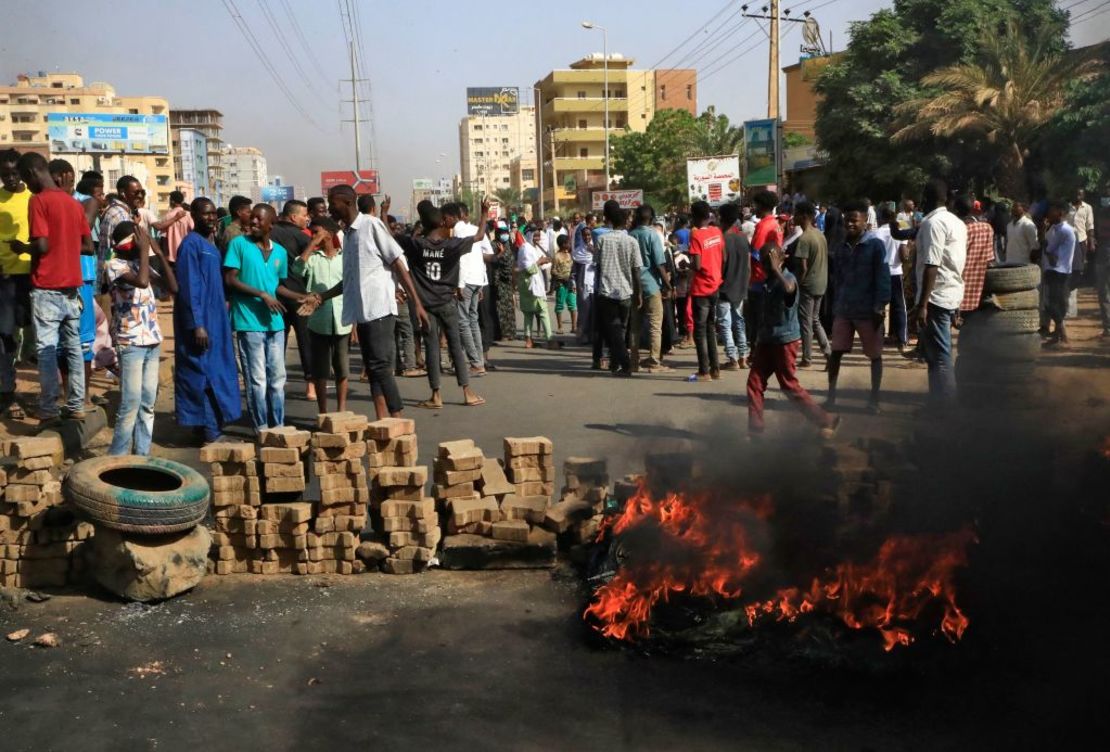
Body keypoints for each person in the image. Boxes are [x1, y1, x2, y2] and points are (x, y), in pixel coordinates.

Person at [307, 186, 426, 419]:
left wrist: (417, 303)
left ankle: (397, 419)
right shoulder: (349, 235)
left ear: (347, 202)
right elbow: (349, 281)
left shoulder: (371, 225)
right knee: (372, 368)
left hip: (379, 309)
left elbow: (397, 263)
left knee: (381, 366)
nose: (330, 207)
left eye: (333, 202)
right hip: (362, 313)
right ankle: (382, 419)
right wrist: (322, 296)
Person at [17, 152, 91, 422]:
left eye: (25, 179)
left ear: (32, 173)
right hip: (72, 286)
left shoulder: (38, 201)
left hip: (46, 284)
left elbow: (43, 245)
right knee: (73, 347)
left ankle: (48, 410)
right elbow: (89, 246)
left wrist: (24, 248)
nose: (26, 185)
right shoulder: (73, 204)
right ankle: (76, 406)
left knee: (46, 350)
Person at [394, 199, 487, 408]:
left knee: (432, 348)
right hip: (447, 302)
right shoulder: (452, 245)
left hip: (426, 305)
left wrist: (383, 213)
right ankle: (467, 392)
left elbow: (390, 235)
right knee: (455, 345)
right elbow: (480, 236)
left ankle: (436, 395)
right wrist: (484, 212)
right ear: (443, 223)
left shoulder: (416, 244)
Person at [223, 203, 304, 431]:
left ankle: (277, 426)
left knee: (277, 379)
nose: (254, 222)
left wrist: (301, 297)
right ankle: (261, 427)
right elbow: (231, 279)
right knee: (258, 380)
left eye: (260, 219)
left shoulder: (279, 252)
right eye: (253, 218)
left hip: (275, 324)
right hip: (248, 323)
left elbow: (276, 286)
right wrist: (261, 295)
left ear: (272, 223)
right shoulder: (238, 245)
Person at [746, 244, 837, 436]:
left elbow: (788, 289)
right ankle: (755, 430)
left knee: (788, 385)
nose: (766, 266)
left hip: (785, 341)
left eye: (769, 261)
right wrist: (755, 344)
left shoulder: (787, 278)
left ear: (781, 259)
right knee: (754, 383)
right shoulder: (766, 283)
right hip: (767, 340)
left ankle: (826, 420)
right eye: (764, 262)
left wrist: (776, 269)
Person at [105, 222, 177, 454]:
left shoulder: (140, 262)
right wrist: (146, 252)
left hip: (151, 340)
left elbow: (171, 287)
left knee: (148, 402)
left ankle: (142, 454)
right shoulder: (114, 265)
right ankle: (117, 456)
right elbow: (142, 282)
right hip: (130, 342)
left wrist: (159, 251)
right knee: (130, 403)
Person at [174, 198, 241, 445]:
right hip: (201, 323)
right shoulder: (191, 245)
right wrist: (197, 323)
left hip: (217, 320)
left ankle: (204, 427)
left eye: (213, 214)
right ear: (194, 215)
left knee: (217, 371)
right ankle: (210, 431)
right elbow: (190, 287)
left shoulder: (209, 244)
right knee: (204, 374)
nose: (211, 218)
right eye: (205, 214)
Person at [826, 201, 890, 414]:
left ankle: (875, 400)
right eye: (847, 220)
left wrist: (880, 305)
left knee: (875, 355)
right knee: (836, 353)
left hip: (868, 310)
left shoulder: (875, 245)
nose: (850, 224)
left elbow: (882, 277)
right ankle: (831, 397)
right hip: (844, 309)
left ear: (865, 221)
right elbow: (837, 278)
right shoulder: (841, 247)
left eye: (854, 220)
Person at [912, 179, 967, 407]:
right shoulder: (957, 222)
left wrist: (923, 304)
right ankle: (936, 404)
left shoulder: (933, 224)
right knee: (934, 355)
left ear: (927, 198)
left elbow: (932, 265)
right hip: (950, 293)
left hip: (936, 297)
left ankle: (947, 409)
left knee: (942, 358)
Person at [296, 216, 350, 414]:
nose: (314, 235)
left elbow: (349, 287)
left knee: (342, 369)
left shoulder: (344, 258)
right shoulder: (313, 258)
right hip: (318, 322)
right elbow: (297, 269)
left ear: (329, 233)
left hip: (342, 322)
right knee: (321, 371)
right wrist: (311, 245)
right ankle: (323, 412)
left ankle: (342, 409)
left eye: (317, 232)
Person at [269, 199, 315, 400]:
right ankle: (311, 386)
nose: (307, 219)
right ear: (294, 216)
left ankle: (275, 383)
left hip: (274, 295)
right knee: (306, 341)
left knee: (278, 341)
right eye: (305, 215)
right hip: (299, 296)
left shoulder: (268, 233)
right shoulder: (302, 236)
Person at [592, 199, 642, 376]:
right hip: (625, 291)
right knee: (620, 330)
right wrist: (639, 293)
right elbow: (637, 270)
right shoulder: (632, 241)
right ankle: (616, 363)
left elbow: (597, 265)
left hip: (606, 291)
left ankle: (624, 364)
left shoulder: (602, 239)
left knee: (613, 330)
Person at [0, 149, 33, 417]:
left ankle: (49, 395)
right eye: (5, 174)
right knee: (5, 335)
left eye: (14, 173)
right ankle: (9, 391)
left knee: (35, 336)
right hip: (5, 278)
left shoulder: (33, 198)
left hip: (33, 276)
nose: (10, 178)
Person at [447, 202, 492, 375]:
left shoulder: (457, 230)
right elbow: (483, 256)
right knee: (472, 320)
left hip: (465, 281)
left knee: (464, 322)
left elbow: (461, 259)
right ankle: (479, 360)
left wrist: (459, 284)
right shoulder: (475, 230)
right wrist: (481, 283)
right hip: (477, 280)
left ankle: (476, 362)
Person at [628, 204, 670, 371]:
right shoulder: (652, 235)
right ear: (651, 219)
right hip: (651, 285)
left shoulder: (630, 235)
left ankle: (633, 360)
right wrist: (668, 285)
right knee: (654, 325)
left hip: (634, 285)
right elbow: (660, 264)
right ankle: (654, 359)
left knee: (635, 326)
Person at [688, 200, 724, 381]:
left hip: (701, 288)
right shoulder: (717, 232)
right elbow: (722, 256)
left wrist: (688, 263)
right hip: (715, 286)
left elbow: (697, 264)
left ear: (694, 216)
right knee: (710, 328)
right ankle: (715, 369)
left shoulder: (695, 236)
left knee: (700, 331)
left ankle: (704, 371)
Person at [792, 201, 831, 366]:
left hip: (808, 285)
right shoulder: (820, 234)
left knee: (806, 322)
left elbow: (803, 267)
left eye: (796, 213)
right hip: (821, 283)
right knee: (814, 319)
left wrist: (797, 285)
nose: (794, 217)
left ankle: (807, 358)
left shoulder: (804, 239)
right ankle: (828, 353)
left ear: (804, 216)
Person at [716, 202, 751, 371]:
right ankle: (743, 356)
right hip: (740, 286)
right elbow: (749, 265)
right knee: (739, 322)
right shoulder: (743, 238)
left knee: (724, 323)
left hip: (724, 287)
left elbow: (721, 264)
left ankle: (732, 358)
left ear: (721, 219)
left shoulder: (722, 240)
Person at [748, 190, 784, 345]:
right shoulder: (775, 224)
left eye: (755, 205)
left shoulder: (763, 226)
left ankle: (756, 352)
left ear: (761, 206)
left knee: (757, 319)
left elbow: (756, 253)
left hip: (759, 278)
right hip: (772, 275)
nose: (753, 208)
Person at [873, 206, 910, 355]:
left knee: (879, 308)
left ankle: (878, 340)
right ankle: (902, 340)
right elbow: (903, 254)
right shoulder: (901, 229)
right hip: (896, 272)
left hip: (881, 272)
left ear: (880, 217)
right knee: (900, 307)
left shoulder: (876, 233)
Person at [1041, 200, 1076, 348]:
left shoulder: (1064, 230)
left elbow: (1048, 249)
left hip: (1058, 271)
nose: (1049, 213)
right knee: (1056, 304)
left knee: (1050, 304)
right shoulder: (1055, 228)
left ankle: (1063, 333)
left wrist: (1042, 234)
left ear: (1060, 213)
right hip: (1054, 270)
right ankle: (1058, 337)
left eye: (1052, 211)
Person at [956, 194, 995, 315]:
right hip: (980, 281)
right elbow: (990, 258)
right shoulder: (987, 228)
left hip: (960, 279)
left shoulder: (961, 228)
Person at [517, 227, 553, 348]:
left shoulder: (529, 248)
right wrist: (540, 261)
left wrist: (542, 261)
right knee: (543, 312)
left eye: (538, 236)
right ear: (529, 235)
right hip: (531, 286)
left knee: (528, 313)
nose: (537, 238)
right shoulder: (527, 249)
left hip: (526, 285)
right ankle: (550, 339)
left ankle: (528, 340)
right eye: (535, 236)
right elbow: (530, 269)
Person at [491, 221, 517, 342]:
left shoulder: (508, 244)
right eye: (502, 233)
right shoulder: (494, 245)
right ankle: (501, 333)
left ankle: (510, 332)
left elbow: (512, 263)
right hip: (498, 281)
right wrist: (501, 254)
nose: (505, 235)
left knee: (509, 307)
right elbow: (494, 262)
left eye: (506, 232)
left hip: (508, 281)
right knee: (500, 308)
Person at [151, 190, 193, 263]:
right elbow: (194, 231)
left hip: (173, 256)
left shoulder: (168, 217)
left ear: (172, 201)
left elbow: (164, 238)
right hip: (187, 253)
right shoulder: (189, 215)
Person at [551, 233, 577, 335]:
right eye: (567, 243)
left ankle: (574, 326)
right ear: (562, 244)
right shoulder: (557, 256)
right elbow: (553, 271)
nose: (569, 244)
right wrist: (562, 277)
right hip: (561, 284)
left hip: (570, 283)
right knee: (559, 305)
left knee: (573, 305)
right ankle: (560, 326)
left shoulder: (569, 255)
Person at [1095, 203, 1110, 339]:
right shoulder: (1103, 211)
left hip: (1104, 256)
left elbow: (1101, 231)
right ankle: (1107, 327)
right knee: (1103, 292)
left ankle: (1107, 327)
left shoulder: (1103, 211)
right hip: (1103, 255)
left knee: (1103, 292)